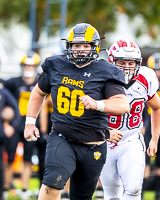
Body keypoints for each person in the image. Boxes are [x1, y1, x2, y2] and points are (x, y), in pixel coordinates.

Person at [24, 22, 130, 200]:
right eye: (76, 45)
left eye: (85, 46)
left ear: (94, 47)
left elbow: (122, 105)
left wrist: (98, 104)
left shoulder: (106, 71)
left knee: (81, 196)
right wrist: (29, 123)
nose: (80, 50)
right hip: (62, 137)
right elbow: (38, 92)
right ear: (69, 46)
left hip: (93, 145)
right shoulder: (56, 65)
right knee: (52, 183)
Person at [100, 39, 160, 200]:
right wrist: (104, 131)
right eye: (121, 62)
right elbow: (89, 111)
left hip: (131, 139)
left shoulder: (146, 78)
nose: (127, 67)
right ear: (111, 61)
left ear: (138, 63)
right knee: (112, 193)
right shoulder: (100, 78)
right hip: (104, 140)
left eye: (131, 62)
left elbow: (157, 106)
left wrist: (154, 139)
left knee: (133, 189)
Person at [3, 50, 46, 200]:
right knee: (10, 157)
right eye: (26, 66)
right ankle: (5, 187)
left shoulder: (41, 82)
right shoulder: (13, 82)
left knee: (28, 158)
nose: (28, 69)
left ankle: (25, 189)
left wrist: (44, 127)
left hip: (33, 125)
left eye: (31, 66)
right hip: (15, 124)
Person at [142, 52, 160, 200]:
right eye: (156, 70)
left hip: (157, 125)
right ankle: (139, 194)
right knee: (144, 164)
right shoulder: (146, 85)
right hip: (148, 126)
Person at [0, 80, 20, 200]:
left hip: (0, 137)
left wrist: (12, 126)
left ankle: (1, 193)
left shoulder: (3, 92)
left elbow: (16, 110)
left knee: (0, 166)